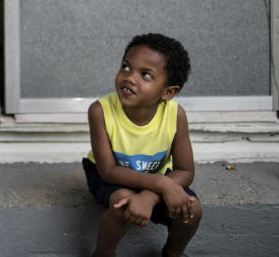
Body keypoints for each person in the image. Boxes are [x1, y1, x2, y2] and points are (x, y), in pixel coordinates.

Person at [83, 33, 202, 257]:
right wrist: (160, 184)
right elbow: (108, 171)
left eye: (145, 74)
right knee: (124, 205)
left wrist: (151, 195)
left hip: (156, 176)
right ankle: (103, 253)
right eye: (126, 67)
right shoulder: (100, 111)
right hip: (110, 175)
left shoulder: (176, 115)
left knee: (192, 208)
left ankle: (173, 253)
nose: (130, 78)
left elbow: (185, 171)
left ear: (168, 92)